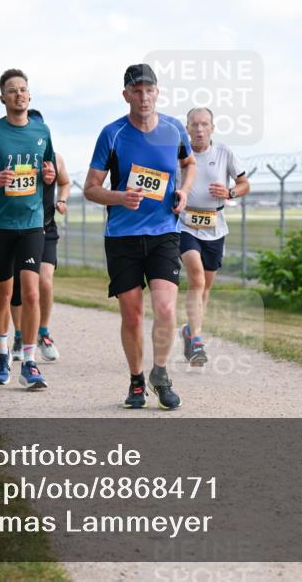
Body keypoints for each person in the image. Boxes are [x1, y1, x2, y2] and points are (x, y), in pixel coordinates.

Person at [83, 63, 196, 410]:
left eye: (149, 89)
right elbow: (90, 188)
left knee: (165, 308)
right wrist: (120, 197)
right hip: (123, 236)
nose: (143, 96)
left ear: (157, 92)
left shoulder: (175, 129)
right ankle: (136, 381)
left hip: (164, 233)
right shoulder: (112, 133)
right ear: (125, 95)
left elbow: (189, 163)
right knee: (131, 315)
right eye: (136, 90)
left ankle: (160, 373)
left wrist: (185, 191)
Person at [0, 69, 56, 390]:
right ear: (3, 98)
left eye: (23, 89)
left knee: (31, 292)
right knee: (3, 294)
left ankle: (29, 362)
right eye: (12, 90)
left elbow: (49, 169)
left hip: (32, 224)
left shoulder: (42, 131)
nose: (19, 94)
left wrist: (49, 174)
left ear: (29, 96)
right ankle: (2, 352)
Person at [178, 107, 250, 366]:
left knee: (205, 287)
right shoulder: (179, 155)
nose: (199, 129)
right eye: (194, 124)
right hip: (185, 224)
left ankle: (189, 329)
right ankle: (197, 339)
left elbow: (245, 185)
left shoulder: (224, 153)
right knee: (195, 277)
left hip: (214, 224)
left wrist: (230, 192)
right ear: (187, 128)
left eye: (204, 124)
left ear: (212, 128)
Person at [9, 122, 70, 362]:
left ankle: (43, 332)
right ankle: (18, 334)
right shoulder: (13, 158)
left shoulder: (55, 158)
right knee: (17, 288)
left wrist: (62, 200)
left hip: (45, 227)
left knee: (44, 281)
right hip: (16, 229)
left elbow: (64, 183)